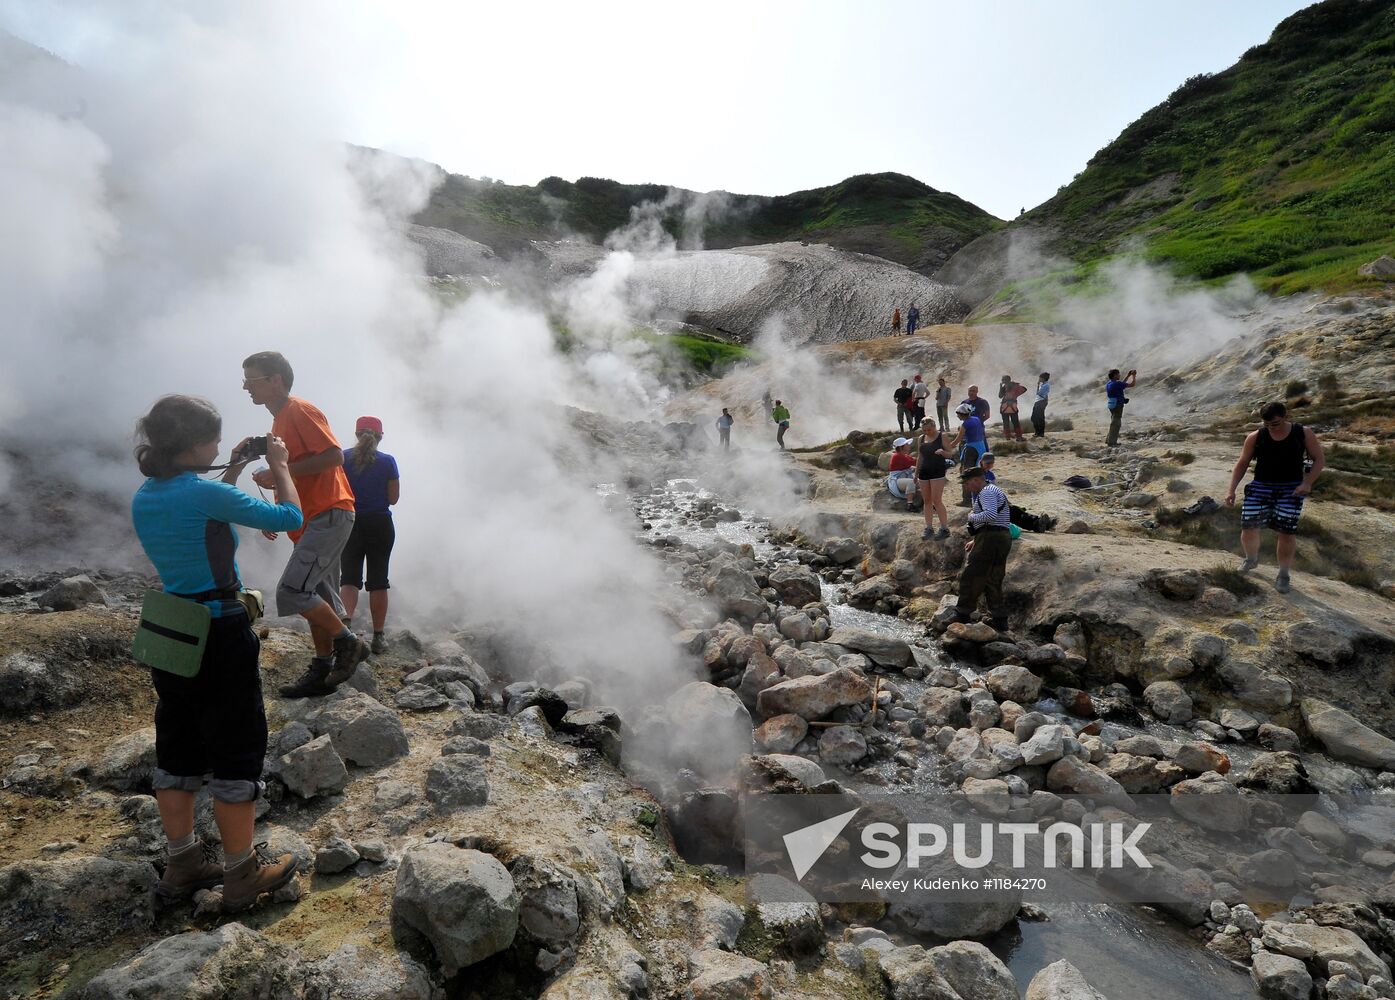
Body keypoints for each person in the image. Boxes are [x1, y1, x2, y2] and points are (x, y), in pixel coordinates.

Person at [131, 395, 303, 911]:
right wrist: (280, 466)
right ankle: (241, 873)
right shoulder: (201, 495)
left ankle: (183, 862)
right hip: (221, 631)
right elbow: (289, 514)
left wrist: (232, 467)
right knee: (236, 746)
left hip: (170, 627)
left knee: (178, 743)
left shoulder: (148, 493)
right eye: (213, 438)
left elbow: (205, 508)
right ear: (194, 444)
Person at [241, 351, 367, 698]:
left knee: (293, 591)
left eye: (251, 381)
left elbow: (333, 456)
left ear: (275, 381)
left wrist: (280, 471)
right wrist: (279, 511)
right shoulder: (279, 422)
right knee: (315, 594)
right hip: (313, 518)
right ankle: (323, 669)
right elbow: (294, 474)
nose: (245, 388)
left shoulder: (299, 410)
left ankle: (349, 644)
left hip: (329, 512)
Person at [1225, 401, 1325, 594]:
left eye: (1276, 423)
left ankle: (1284, 574)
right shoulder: (1256, 437)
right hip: (1261, 486)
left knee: (1286, 532)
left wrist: (1307, 482)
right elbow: (1242, 463)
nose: (1271, 427)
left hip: (1291, 488)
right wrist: (1231, 490)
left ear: (1286, 416)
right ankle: (1251, 559)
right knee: (1248, 527)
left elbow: (1319, 459)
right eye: (1267, 424)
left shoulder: (1302, 433)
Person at [339, 416, 400, 654]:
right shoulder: (388, 462)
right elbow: (393, 499)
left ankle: (344, 631)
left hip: (350, 522)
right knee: (378, 581)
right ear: (380, 436)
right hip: (380, 524)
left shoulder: (341, 458)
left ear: (356, 434)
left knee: (349, 578)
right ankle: (378, 637)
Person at [953, 466, 1012, 630]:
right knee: (994, 579)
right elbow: (997, 519)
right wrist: (976, 539)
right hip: (1000, 537)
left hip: (991, 538)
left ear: (977, 480)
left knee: (972, 576)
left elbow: (991, 515)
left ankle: (962, 615)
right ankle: (1000, 621)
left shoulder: (986, 492)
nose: (966, 487)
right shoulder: (994, 490)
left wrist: (971, 516)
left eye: (967, 483)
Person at [916, 419, 952, 540]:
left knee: (937, 500)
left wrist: (943, 452)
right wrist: (916, 473)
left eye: (929, 430)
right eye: (924, 430)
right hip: (924, 472)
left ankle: (944, 528)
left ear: (934, 426)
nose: (927, 432)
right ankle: (929, 527)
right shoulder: (921, 438)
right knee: (927, 501)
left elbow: (950, 454)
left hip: (937, 471)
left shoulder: (942, 436)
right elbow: (920, 457)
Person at [950, 402, 988, 505]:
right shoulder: (976, 419)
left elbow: (958, 439)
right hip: (980, 446)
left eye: (958, 414)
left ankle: (967, 499)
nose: (957, 416)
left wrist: (948, 446)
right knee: (978, 471)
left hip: (971, 448)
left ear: (961, 414)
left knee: (966, 473)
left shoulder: (965, 424)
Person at [1105, 368, 1137, 447]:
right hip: (1117, 405)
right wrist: (1133, 376)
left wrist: (1128, 376)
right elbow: (1132, 384)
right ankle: (1112, 443)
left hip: (1111, 405)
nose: (1119, 375)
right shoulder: (1117, 384)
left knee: (1113, 422)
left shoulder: (1109, 383)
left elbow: (1122, 384)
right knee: (1116, 424)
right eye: (1118, 374)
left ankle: (1108, 440)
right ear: (1115, 375)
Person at [887, 437, 917, 505]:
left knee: (922, 482)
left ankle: (929, 503)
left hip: (902, 478)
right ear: (901, 447)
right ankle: (910, 504)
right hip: (897, 480)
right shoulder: (897, 456)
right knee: (911, 482)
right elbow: (913, 462)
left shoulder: (904, 455)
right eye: (906, 444)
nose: (909, 445)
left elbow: (913, 461)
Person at [998, 376, 1026, 441]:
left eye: (1002, 380)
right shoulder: (1015, 386)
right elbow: (1024, 389)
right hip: (1013, 406)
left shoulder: (1004, 387)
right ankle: (1019, 437)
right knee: (1015, 422)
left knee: (1005, 422)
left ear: (1004, 380)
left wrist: (1000, 387)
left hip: (1004, 406)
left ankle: (1007, 437)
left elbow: (1000, 396)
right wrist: (1017, 394)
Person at [1031, 372, 1051, 438]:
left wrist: (1038, 386)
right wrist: (1038, 385)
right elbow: (1038, 393)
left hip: (1041, 402)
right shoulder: (1043, 385)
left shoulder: (1046, 385)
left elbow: (1039, 393)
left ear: (1043, 378)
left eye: (1040, 377)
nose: (1039, 379)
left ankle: (1040, 433)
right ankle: (1037, 432)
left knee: (1040, 418)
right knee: (1034, 417)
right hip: (1038, 401)